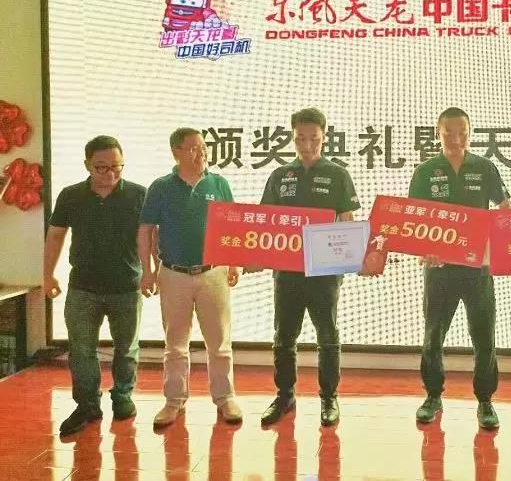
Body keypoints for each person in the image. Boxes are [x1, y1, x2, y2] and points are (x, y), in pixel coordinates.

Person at [408, 107, 511, 430]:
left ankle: (485, 400)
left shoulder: (485, 167)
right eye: (449, 133)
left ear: (470, 133)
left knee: (483, 337)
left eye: (462, 133)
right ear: (437, 134)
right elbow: (414, 217)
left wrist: (497, 240)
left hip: (477, 270)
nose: (456, 139)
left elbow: (505, 208)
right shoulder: (426, 171)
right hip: (439, 270)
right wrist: (424, 248)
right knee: (433, 336)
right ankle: (432, 396)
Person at [257, 107, 361, 427]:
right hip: (287, 272)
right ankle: (285, 395)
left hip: (325, 273)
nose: (307, 145)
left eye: (313, 138)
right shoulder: (280, 176)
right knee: (284, 336)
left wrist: (350, 258)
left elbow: (348, 221)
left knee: (327, 335)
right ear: (292, 138)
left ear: (324, 137)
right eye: (300, 138)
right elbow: (266, 222)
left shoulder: (338, 174)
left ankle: (329, 397)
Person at [137, 127, 242, 427]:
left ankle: (225, 397)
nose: (202, 153)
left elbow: (233, 226)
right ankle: (174, 401)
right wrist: (147, 271)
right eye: (194, 148)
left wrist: (235, 263)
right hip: (173, 274)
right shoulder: (161, 187)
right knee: (175, 344)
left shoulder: (218, 183)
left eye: (203, 147)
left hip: (214, 272)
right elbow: (145, 230)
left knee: (219, 342)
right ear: (177, 152)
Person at [44, 135, 146, 436]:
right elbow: (55, 236)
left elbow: (149, 238)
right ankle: (87, 404)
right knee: (81, 350)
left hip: (126, 285)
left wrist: (152, 273)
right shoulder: (71, 195)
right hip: (83, 287)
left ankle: (123, 396)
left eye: (117, 166)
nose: (110, 174)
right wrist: (47, 274)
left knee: (126, 348)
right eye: (101, 167)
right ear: (87, 165)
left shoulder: (138, 194)